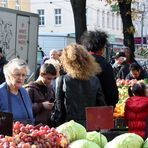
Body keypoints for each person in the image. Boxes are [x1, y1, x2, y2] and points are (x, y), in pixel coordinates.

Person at [51, 43, 106, 127]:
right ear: (87, 60)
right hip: (90, 126)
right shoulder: (94, 80)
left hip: (69, 126)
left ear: (67, 61)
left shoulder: (62, 80)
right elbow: (101, 106)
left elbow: (59, 110)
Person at [80, 30, 118, 107]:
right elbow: (111, 92)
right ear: (102, 48)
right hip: (99, 108)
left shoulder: (80, 62)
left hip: (79, 107)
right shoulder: (104, 65)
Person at [0, 58, 34, 124]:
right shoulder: (1, 93)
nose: (21, 78)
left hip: (26, 133)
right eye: (17, 74)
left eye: (23, 75)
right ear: (8, 75)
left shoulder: (24, 92)